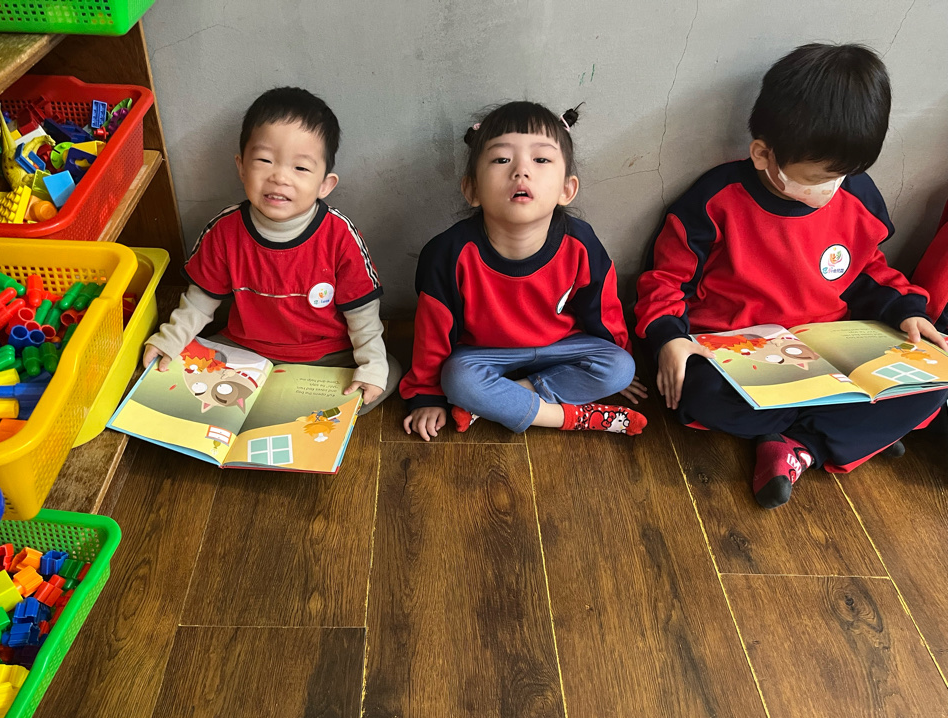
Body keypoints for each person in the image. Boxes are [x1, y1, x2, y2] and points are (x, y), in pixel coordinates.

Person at [634, 43, 948, 508]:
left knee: (932, 385)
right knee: (694, 390)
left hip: (832, 347)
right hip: (739, 351)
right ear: (763, 154)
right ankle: (846, 434)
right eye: (820, 177)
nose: (832, 190)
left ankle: (799, 445)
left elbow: (868, 269)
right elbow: (664, 281)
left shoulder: (857, 196)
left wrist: (908, 312)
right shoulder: (715, 201)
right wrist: (669, 338)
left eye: (844, 176)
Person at [400, 101, 647, 441]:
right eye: (502, 160)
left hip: (560, 348)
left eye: (541, 160)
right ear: (472, 190)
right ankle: (571, 418)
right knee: (457, 380)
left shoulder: (580, 243)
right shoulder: (448, 253)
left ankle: (500, 399)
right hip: (485, 356)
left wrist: (619, 362)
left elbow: (604, 310)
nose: (521, 171)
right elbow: (433, 332)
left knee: (619, 367)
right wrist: (426, 394)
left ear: (567, 189)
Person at [143, 86, 398, 414]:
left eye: (300, 168)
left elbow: (363, 315)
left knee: (385, 372)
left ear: (325, 184)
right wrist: (170, 339)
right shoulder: (224, 230)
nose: (279, 177)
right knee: (173, 377)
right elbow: (199, 301)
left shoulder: (340, 236)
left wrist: (372, 366)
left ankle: (284, 408)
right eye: (264, 160)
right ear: (241, 167)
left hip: (325, 355)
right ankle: (256, 407)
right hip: (243, 350)